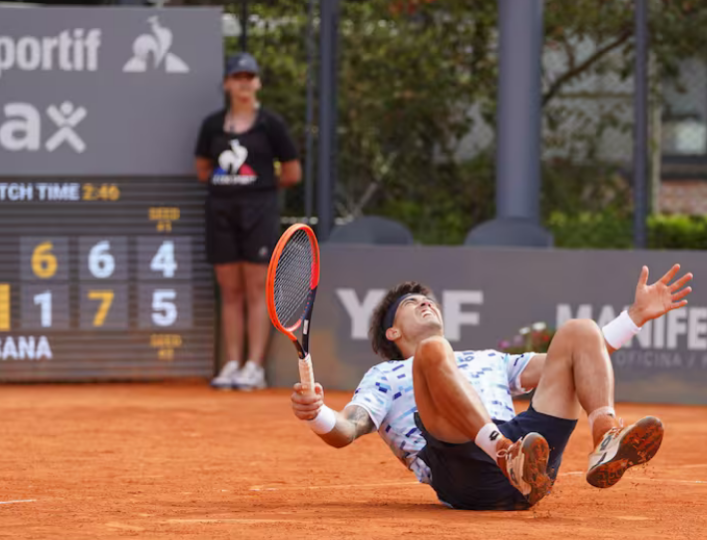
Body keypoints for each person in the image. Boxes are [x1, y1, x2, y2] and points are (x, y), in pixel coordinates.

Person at [290, 264, 693, 510]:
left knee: (579, 331)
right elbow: (346, 431)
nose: (426, 303)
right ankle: (501, 451)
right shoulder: (384, 376)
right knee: (434, 353)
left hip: (530, 460)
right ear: (392, 331)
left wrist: (635, 317)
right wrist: (317, 414)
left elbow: (576, 359)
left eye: (428, 300)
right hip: (462, 469)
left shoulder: (485, 358)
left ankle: (605, 439)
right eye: (412, 303)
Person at [194, 52, 302, 391]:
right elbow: (201, 170)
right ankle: (231, 364)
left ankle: (254, 367)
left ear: (257, 83)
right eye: (237, 77)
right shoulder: (212, 125)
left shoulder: (271, 124)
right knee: (230, 290)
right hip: (221, 212)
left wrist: (258, 187)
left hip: (260, 213)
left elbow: (292, 172)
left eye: (249, 77)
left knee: (257, 289)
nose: (243, 83)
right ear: (227, 84)